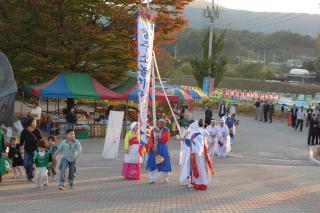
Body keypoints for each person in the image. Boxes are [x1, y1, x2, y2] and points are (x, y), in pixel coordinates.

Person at [189, 120, 215, 190]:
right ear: (203, 125)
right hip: (200, 154)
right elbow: (207, 134)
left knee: (197, 167)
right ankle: (202, 183)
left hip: (195, 153)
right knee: (201, 168)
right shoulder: (201, 133)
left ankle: (198, 183)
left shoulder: (195, 133)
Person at [146, 119, 171, 184]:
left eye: (162, 123)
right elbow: (151, 139)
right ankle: (152, 179)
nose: (161, 124)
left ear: (164, 124)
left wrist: (158, 133)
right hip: (154, 149)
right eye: (159, 123)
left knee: (164, 162)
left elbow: (165, 139)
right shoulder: (154, 130)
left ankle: (165, 178)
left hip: (163, 148)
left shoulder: (166, 130)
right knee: (152, 163)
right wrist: (152, 147)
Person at [20, 118, 42, 182]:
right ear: (30, 122)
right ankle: (28, 173)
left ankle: (30, 177)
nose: (35, 124)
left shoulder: (37, 131)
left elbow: (41, 140)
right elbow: (21, 142)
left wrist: (41, 149)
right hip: (27, 150)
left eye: (35, 122)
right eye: (33, 122)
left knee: (32, 164)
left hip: (35, 151)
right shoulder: (24, 131)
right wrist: (21, 150)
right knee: (25, 164)